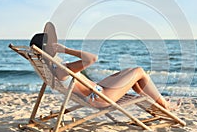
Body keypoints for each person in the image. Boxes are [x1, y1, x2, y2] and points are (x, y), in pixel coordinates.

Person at [32, 22, 181, 111]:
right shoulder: (60, 69)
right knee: (139, 71)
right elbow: (91, 58)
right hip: (100, 98)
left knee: (129, 72)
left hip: (97, 90)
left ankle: (158, 102)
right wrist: (65, 50)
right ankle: (165, 105)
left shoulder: (52, 68)